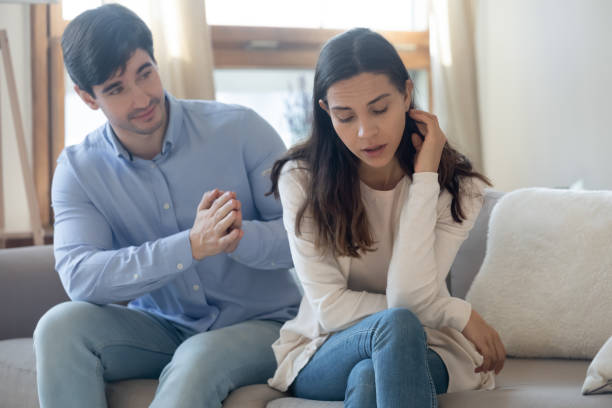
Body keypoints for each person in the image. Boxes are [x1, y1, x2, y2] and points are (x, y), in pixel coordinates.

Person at [33, 4, 301, 408]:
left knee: (199, 357)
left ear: (156, 63)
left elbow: (303, 236)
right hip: (161, 328)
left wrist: (235, 237)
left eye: (145, 73)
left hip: (264, 325)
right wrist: (190, 246)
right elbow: (81, 277)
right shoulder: (78, 170)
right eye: (116, 88)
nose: (141, 98)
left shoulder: (241, 128)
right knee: (57, 327)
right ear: (88, 98)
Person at [267, 28, 506, 407]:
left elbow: (407, 293)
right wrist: (454, 312)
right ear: (327, 112)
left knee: (369, 375)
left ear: (407, 95)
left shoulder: (458, 188)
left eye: (380, 109)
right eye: (345, 117)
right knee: (396, 325)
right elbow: (330, 308)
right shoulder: (302, 179)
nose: (366, 132)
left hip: (430, 344)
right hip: (326, 347)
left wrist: (425, 179)